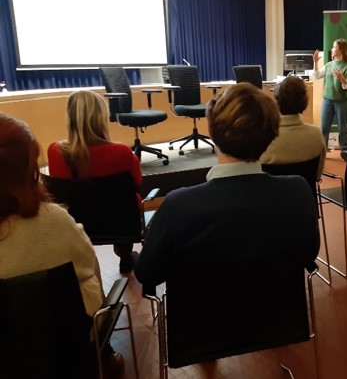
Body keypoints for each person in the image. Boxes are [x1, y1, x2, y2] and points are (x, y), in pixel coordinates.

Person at [135, 82, 320, 288]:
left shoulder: (178, 206)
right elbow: (309, 252)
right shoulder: (298, 192)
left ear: (212, 134)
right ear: (270, 134)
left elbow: (147, 274)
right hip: (280, 317)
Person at [0, 113, 123, 376]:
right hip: (64, 347)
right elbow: (88, 267)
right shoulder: (54, 221)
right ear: (28, 168)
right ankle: (106, 357)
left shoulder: (59, 152)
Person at [47, 90, 142, 273]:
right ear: (101, 117)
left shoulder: (55, 151)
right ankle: (125, 256)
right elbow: (136, 182)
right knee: (126, 203)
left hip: (75, 219)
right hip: (119, 221)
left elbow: (61, 188)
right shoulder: (122, 152)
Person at [260, 76, 326, 179]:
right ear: (305, 102)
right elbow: (317, 176)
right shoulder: (316, 134)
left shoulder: (263, 138)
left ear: (277, 102)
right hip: (305, 194)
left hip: (270, 194)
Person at [312, 38, 347, 161]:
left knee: (343, 127)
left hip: (341, 101)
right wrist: (315, 62)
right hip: (327, 100)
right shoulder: (329, 65)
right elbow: (316, 76)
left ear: (341, 50)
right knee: (324, 127)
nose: (332, 49)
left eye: (334, 47)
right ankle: (322, 150)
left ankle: (345, 150)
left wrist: (342, 79)